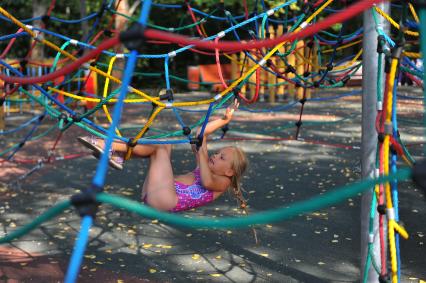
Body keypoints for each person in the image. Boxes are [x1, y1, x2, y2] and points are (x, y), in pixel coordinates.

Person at [77, 99, 248, 213]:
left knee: (160, 147)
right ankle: (118, 154)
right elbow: (201, 133)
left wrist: (201, 151)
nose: (216, 156)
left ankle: (105, 144)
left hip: (165, 200)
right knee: (164, 144)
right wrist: (224, 120)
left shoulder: (222, 183)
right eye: (218, 153)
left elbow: (207, 182)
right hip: (156, 193)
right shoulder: (203, 166)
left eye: (221, 158)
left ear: (230, 172)